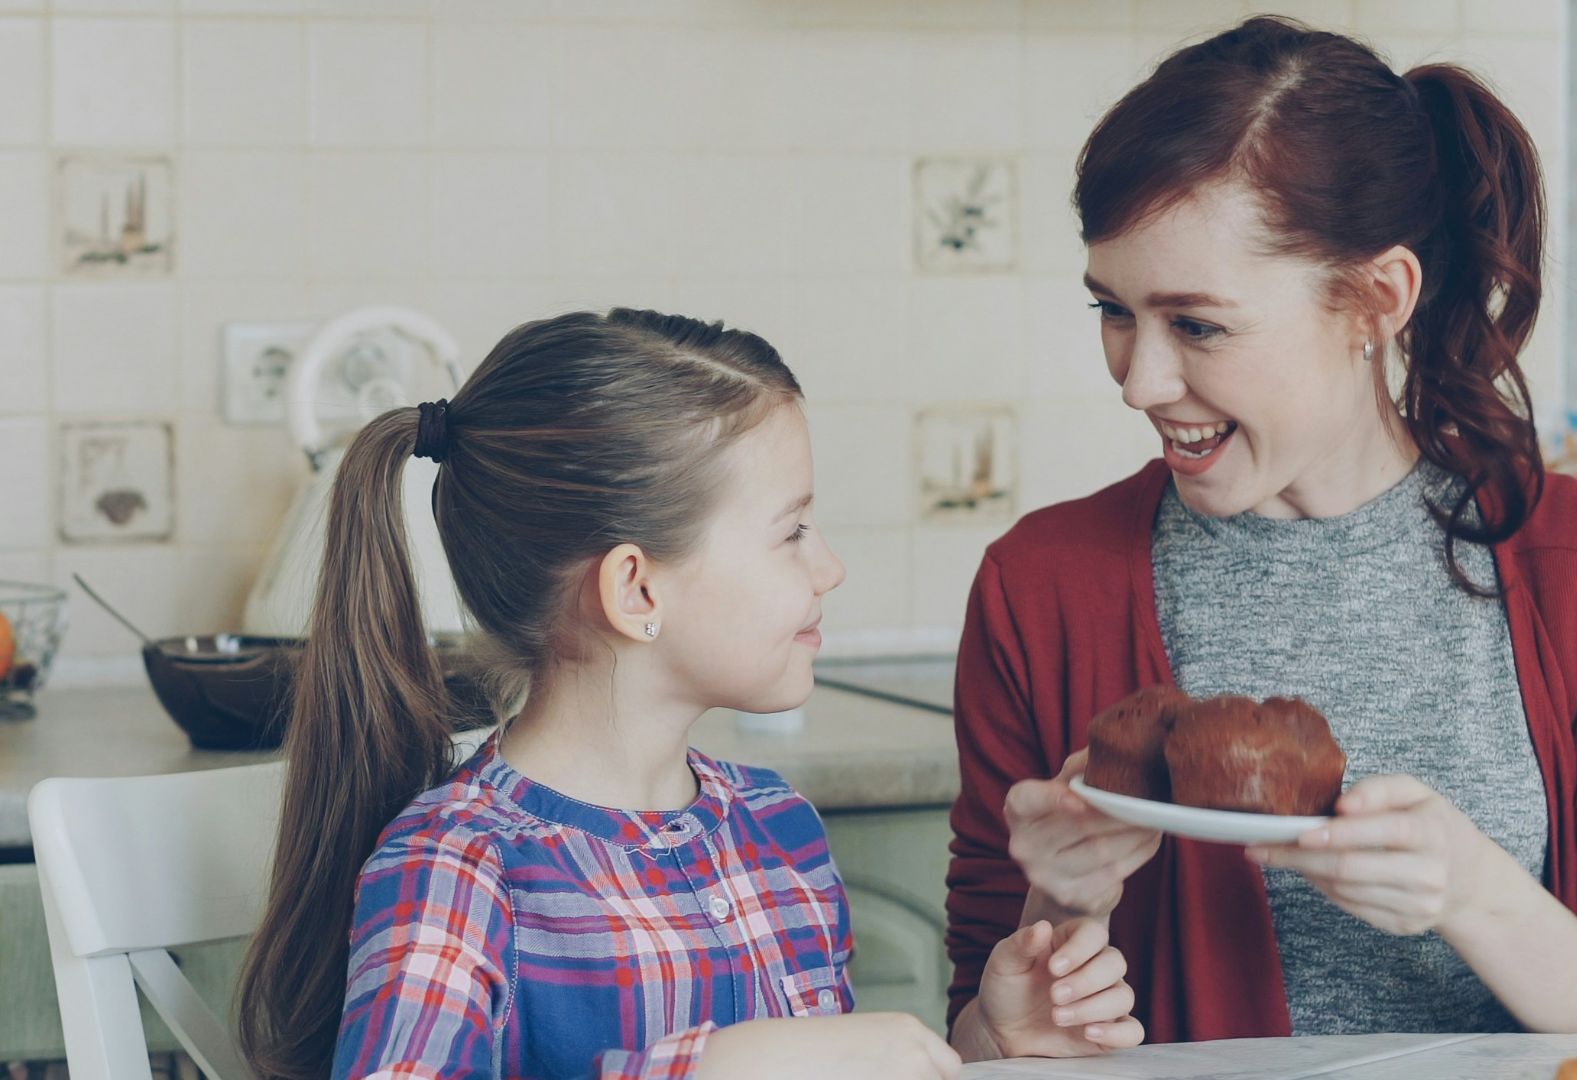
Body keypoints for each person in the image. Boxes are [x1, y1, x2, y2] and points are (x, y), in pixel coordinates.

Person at [944, 17, 1577, 1046]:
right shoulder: (1041, 588)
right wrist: (1046, 947)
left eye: (1198, 325)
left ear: (1377, 298)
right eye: (1113, 312)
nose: (1139, 380)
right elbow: (968, 1034)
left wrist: (1476, 896)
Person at [234, 309, 1143, 1079]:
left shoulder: (777, 828)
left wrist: (992, 1041)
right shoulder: (460, 868)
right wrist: (715, 1068)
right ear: (637, 590)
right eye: (791, 533)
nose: (829, 567)